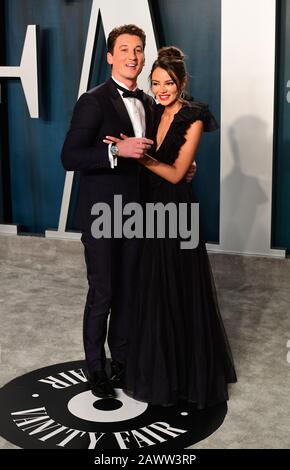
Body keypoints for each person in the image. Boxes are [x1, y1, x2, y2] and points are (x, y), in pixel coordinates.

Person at [105, 46, 237, 408]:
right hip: (148, 210)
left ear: (182, 82)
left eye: (169, 82)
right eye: (157, 82)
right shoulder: (150, 110)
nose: (162, 89)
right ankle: (157, 369)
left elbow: (179, 173)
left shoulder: (193, 116)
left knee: (178, 289)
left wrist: (140, 156)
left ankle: (184, 376)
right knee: (152, 290)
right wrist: (123, 150)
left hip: (176, 213)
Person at [61, 24, 155, 399]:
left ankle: (123, 361)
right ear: (110, 57)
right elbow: (69, 157)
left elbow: (147, 156)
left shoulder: (148, 102)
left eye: (138, 50)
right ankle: (95, 369)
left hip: (137, 217)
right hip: (101, 214)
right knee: (104, 291)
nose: (133, 56)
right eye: (125, 49)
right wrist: (116, 151)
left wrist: (179, 166)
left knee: (130, 291)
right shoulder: (94, 100)